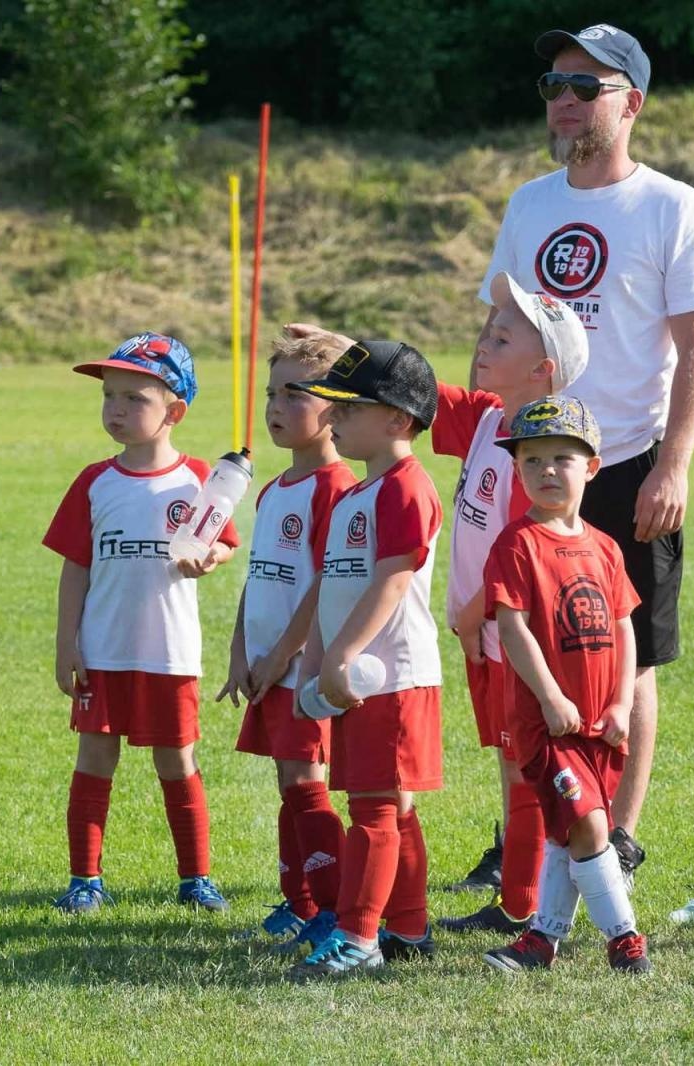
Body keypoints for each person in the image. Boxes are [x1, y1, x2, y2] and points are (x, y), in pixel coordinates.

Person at [477, 22, 694, 882]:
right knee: (521, 647)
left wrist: (675, 463)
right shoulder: (530, 204)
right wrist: (489, 442)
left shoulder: (671, 206)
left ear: (633, 103)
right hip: (532, 456)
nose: (564, 100)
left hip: (623, 460)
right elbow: (499, 328)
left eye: (585, 87)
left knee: (629, 651)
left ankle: (615, 832)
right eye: (553, 85)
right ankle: (528, 829)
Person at [43, 332, 240, 915]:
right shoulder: (94, 481)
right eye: (110, 397)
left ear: (175, 411)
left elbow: (222, 542)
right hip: (103, 650)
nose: (117, 410)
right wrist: (67, 644)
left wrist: (210, 557)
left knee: (176, 760)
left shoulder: (199, 478)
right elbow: (75, 566)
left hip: (169, 653)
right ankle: (85, 879)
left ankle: (195, 878)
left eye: (135, 399)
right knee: (94, 759)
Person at [433, 272, 589, 935]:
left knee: (529, 773)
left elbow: (529, 555)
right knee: (513, 770)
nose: (483, 341)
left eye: (502, 335)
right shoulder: (487, 418)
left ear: (542, 369)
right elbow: (409, 394)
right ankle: (522, 901)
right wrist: (342, 353)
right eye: (486, 329)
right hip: (487, 640)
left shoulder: (536, 452)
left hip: (514, 644)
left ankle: (533, 906)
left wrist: (473, 613)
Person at [283, 340, 445, 979]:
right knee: (391, 805)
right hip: (350, 678)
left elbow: (394, 580)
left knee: (376, 808)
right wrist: (315, 659)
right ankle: (407, 925)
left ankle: (359, 937)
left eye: (350, 408)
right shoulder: (353, 495)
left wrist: (344, 653)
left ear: (398, 420)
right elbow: (330, 586)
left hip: (395, 678)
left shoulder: (409, 487)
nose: (333, 419)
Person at [477, 395, 650, 974]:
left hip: (602, 719)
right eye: (532, 461)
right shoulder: (517, 544)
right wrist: (550, 696)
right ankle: (624, 937)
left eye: (561, 458)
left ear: (592, 467)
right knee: (589, 824)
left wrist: (624, 701)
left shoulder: (604, 547)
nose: (546, 471)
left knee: (566, 833)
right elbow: (512, 627)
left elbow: (624, 626)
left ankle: (541, 942)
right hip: (547, 722)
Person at [218, 335, 359, 948]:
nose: (276, 405)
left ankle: (334, 908)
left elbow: (326, 586)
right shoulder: (274, 488)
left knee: (306, 783)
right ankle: (300, 901)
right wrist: (240, 652)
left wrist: (283, 658)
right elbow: (260, 574)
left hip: (304, 670)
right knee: (288, 783)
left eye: (294, 393)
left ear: (339, 405)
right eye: (272, 392)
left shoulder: (337, 487)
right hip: (268, 665)